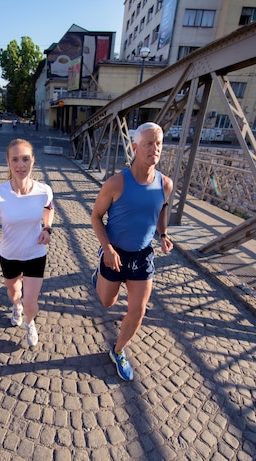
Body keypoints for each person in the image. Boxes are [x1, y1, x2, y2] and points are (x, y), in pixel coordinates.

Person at [90, 122, 173, 381]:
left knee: (138, 310)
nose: (155, 149)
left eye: (158, 144)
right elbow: (96, 216)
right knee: (107, 302)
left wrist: (164, 234)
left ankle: (118, 350)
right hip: (114, 253)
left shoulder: (166, 184)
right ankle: (99, 275)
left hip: (142, 257)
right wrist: (107, 249)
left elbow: (161, 209)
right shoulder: (116, 183)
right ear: (135, 147)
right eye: (149, 143)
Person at [0, 139, 54, 347]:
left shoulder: (44, 190)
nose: (20, 165)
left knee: (31, 303)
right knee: (15, 293)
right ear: (8, 161)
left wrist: (47, 229)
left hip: (35, 254)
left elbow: (49, 209)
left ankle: (29, 323)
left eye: (25, 159)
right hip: (9, 254)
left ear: (33, 161)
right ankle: (16, 307)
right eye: (15, 159)